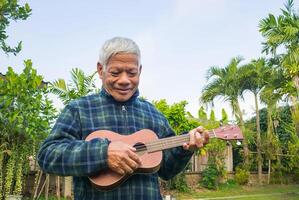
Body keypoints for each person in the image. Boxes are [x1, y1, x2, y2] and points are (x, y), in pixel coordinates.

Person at [38, 37, 209, 200]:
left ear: (140, 71)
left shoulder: (154, 114)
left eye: (132, 73)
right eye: (116, 72)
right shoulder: (79, 109)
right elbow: (48, 155)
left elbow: (167, 171)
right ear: (100, 69)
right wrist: (103, 154)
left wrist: (186, 149)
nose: (124, 80)